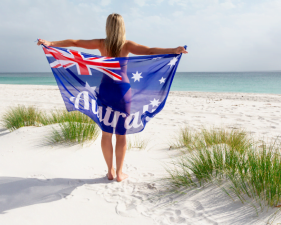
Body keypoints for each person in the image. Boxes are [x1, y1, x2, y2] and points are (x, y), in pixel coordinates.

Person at [37, 13, 188, 182]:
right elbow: (150, 51)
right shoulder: (127, 45)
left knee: (107, 133)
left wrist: (51, 44)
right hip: (122, 91)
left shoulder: (101, 44)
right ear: (123, 27)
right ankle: (119, 173)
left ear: (108, 27)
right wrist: (174, 51)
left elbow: (75, 43)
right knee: (121, 135)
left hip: (106, 90)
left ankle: (110, 171)